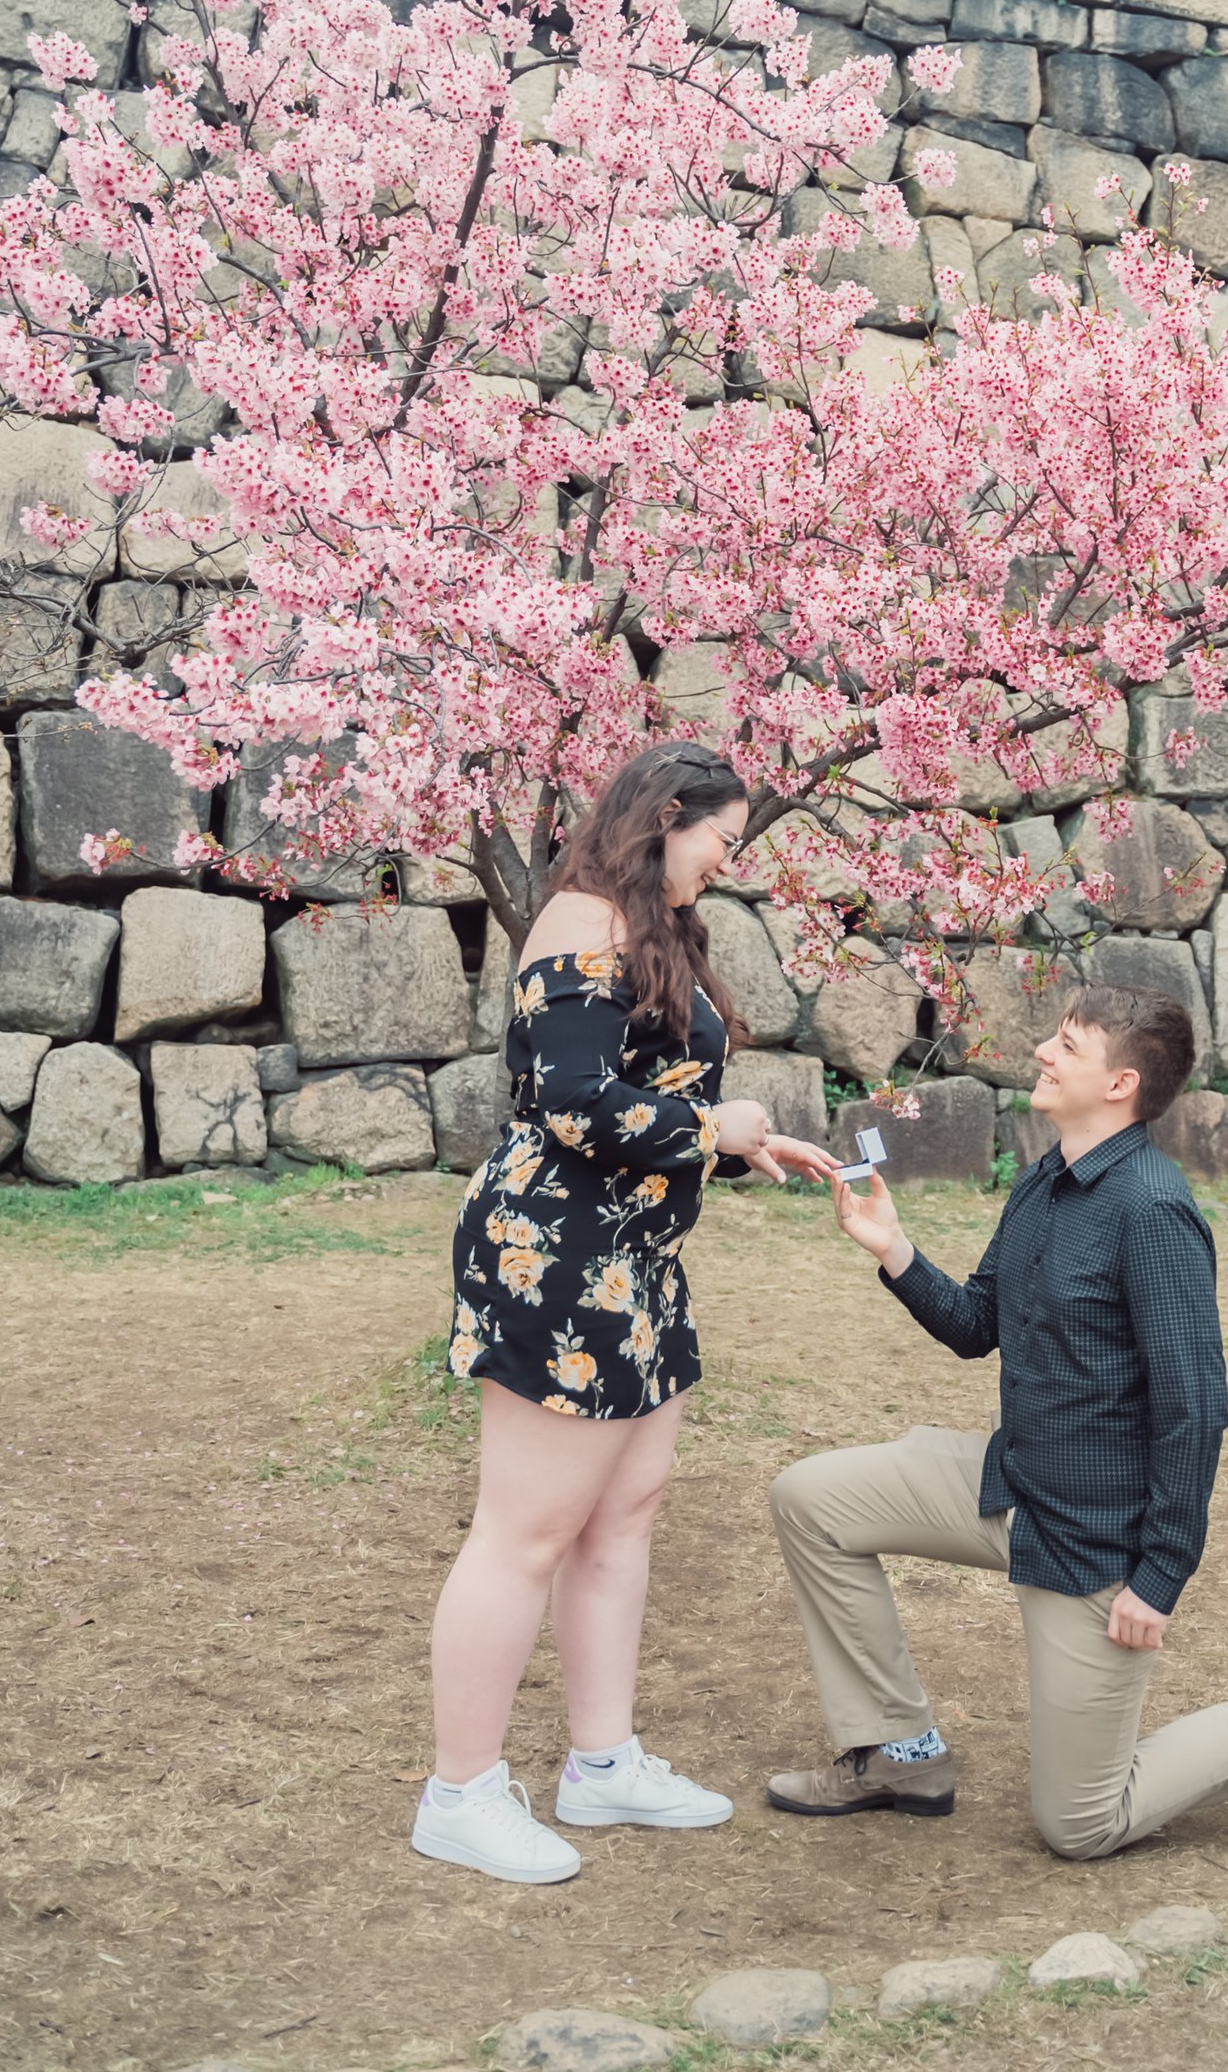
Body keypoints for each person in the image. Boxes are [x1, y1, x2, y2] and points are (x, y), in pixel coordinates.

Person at [764, 984, 1228, 1858]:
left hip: (1091, 1540)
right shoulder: (1047, 1178)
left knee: (1081, 1823)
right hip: (1010, 1484)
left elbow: (1195, 1408)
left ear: (1120, 1085)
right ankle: (900, 1753)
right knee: (811, 1499)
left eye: (1069, 1045)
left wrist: (1160, 1574)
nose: (1044, 1052)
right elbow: (976, 1325)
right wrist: (893, 1247)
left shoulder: (1152, 1211)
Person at [413, 741, 838, 1886]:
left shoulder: (650, 927)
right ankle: (460, 1794)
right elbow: (572, 1103)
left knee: (625, 1516)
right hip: (556, 1255)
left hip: (635, 1255)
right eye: (720, 839)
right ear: (665, 818)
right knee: (525, 1532)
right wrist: (712, 1129)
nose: (726, 861)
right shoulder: (578, 924)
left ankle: (601, 1765)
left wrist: (736, 1146)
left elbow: (648, 1090)